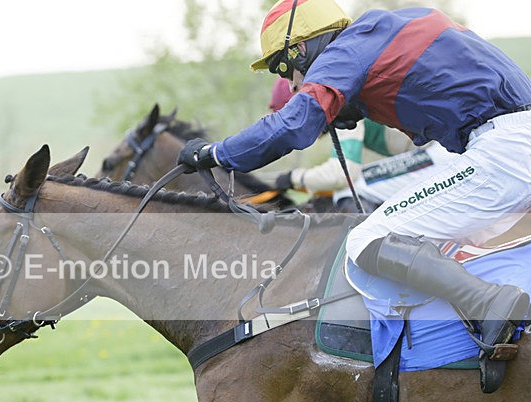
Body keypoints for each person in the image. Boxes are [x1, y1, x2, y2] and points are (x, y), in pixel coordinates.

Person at [177, 0, 531, 368]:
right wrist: (355, 105)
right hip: (510, 141)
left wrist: (216, 153)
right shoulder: (387, 26)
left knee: (367, 239)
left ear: (300, 48)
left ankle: (491, 305)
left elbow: (291, 126)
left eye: (283, 68)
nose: (291, 83)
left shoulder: (347, 48)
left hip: (503, 150)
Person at [266, 77, 459, 213]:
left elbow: (342, 175)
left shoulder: (339, 103)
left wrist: (295, 177)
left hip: (444, 154)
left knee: (348, 189)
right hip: (442, 150)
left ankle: (372, 253)